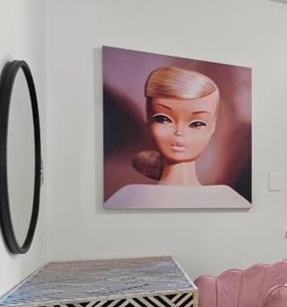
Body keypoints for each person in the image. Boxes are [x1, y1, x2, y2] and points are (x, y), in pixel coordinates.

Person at [104, 66, 250, 208]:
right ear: (148, 120)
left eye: (196, 123)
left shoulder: (230, 200)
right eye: (163, 119)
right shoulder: (126, 198)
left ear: (213, 125)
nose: (179, 132)